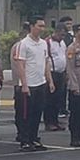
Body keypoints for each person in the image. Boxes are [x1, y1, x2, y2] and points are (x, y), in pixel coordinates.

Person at [11, 18, 52, 150]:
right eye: (39, 26)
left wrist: (49, 80)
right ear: (32, 26)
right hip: (28, 84)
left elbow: (46, 62)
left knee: (37, 113)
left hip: (40, 83)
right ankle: (25, 140)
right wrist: (24, 84)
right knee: (25, 114)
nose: (42, 29)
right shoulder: (23, 44)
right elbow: (20, 65)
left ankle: (34, 137)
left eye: (43, 26)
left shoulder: (43, 43)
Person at [43, 26, 69, 131]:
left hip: (61, 74)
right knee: (50, 100)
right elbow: (46, 60)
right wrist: (49, 78)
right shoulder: (48, 43)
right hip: (52, 73)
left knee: (58, 99)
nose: (62, 37)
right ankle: (49, 122)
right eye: (61, 34)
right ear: (56, 32)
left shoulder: (62, 43)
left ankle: (55, 121)